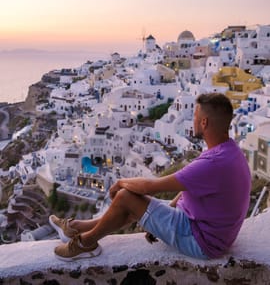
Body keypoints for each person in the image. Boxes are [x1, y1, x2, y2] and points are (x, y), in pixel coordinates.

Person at [49, 92, 251, 261]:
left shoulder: (213, 162)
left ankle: (86, 243)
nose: (193, 121)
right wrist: (163, 215)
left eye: (195, 117)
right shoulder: (229, 151)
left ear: (204, 122)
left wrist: (120, 183)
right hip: (205, 228)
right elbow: (186, 189)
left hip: (201, 241)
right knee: (135, 204)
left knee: (127, 197)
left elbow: (149, 187)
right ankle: (75, 228)